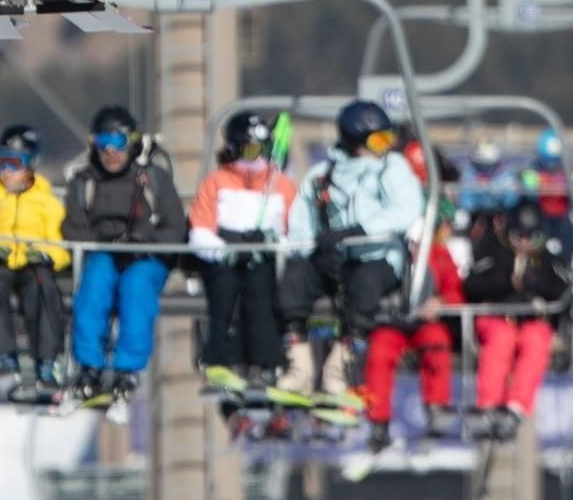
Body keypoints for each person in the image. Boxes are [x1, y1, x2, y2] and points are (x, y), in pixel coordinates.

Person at [280, 101, 424, 398]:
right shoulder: (323, 175)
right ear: (354, 141)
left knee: (364, 284)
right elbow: (302, 220)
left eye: (388, 138)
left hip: (378, 255)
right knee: (296, 278)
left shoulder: (391, 168)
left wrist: (360, 231)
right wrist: (315, 247)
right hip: (334, 257)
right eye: (377, 140)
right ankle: (300, 365)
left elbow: (408, 209)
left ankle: (340, 365)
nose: (385, 146)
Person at [61, 105, 186, 404]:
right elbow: (72, 228)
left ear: (131, 143)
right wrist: (101, 240)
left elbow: (175, 225)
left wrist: (147, 241)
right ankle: (89, 363)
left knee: (136, 289)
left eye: (118, 143)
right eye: (103, 144)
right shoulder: (84, 182)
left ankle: (127, 367)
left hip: (145, 256)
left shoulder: (153, 179)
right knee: (94, 285)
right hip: (103, 252)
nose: (111, 153)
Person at [0, 124, 71, 393]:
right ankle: (4, 356)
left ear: (32, 165)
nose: (7, 171)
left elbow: (62, 240)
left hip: (34, 262)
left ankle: (46, 360)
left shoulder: (46, 202)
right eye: (1, 162)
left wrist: (49, 255)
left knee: (44, 292)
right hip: (0, 261)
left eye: (15, 162)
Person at [189, 111, 298, 387]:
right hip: (226, 254)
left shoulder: (281, 186)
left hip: (264, 257)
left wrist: (275, 244)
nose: (258, 157)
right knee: (225, 290)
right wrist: (222, 250)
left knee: (260, 291)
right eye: (251, 150)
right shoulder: (217, 182)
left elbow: (297, 231)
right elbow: (200, 228)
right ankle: (222, 358)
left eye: (264, 150)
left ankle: (266, 360)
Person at [463, 201, 572, 440]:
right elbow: (471, 285)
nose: (524, 243)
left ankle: (516, 407)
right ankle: (489, 404)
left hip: (532, 321)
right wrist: (505, 282)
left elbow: (565, 294)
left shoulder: (548, 261)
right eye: (519, 236)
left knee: (536, 341)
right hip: (497, 318)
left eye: (531, 237)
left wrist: (536, 285)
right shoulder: (494, 253)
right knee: (500, 341)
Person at [361, 199, 463, 450]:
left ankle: (436, 405)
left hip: (423, 323)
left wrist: (440, 302)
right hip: (392, 323)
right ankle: (378, 420)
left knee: (437, 342)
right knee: (379, 354)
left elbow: (456, 291)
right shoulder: (388, 251)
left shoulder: (439, 255)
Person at [521, 128, 573, 266]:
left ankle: (565, 265)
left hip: (562, 215)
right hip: (540, 215)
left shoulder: (569, 171)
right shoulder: (533, 171)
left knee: (567, 237)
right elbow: (528, 187)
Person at [460, 138, 522, 237]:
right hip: (476, 215)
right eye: (481, 165)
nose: (485, 169)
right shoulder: (469, 172)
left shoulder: (505, 174)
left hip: (500, 213)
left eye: (488, 165)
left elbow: (511, 200)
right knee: (461, 219)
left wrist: (496, 191)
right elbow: (466, 200)